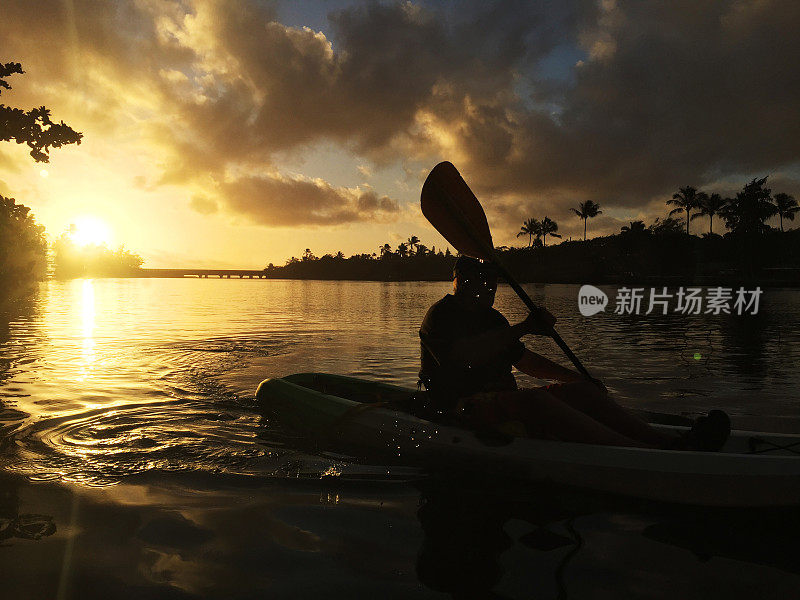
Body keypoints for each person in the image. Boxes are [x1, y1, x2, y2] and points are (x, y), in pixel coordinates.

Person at [418, 256, 730, 450]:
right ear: (459, 283)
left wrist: (577, 378)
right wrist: (523, 327)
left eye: (489, 283)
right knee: (538, 399)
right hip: (456, 409)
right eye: (478, 282)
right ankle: (646, 454)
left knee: (585, 392)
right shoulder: (440, 316)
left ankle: (672, 443)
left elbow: (523, 360)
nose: (487, 288)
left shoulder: (493, 319)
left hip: (503, 402)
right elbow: (462, 357)